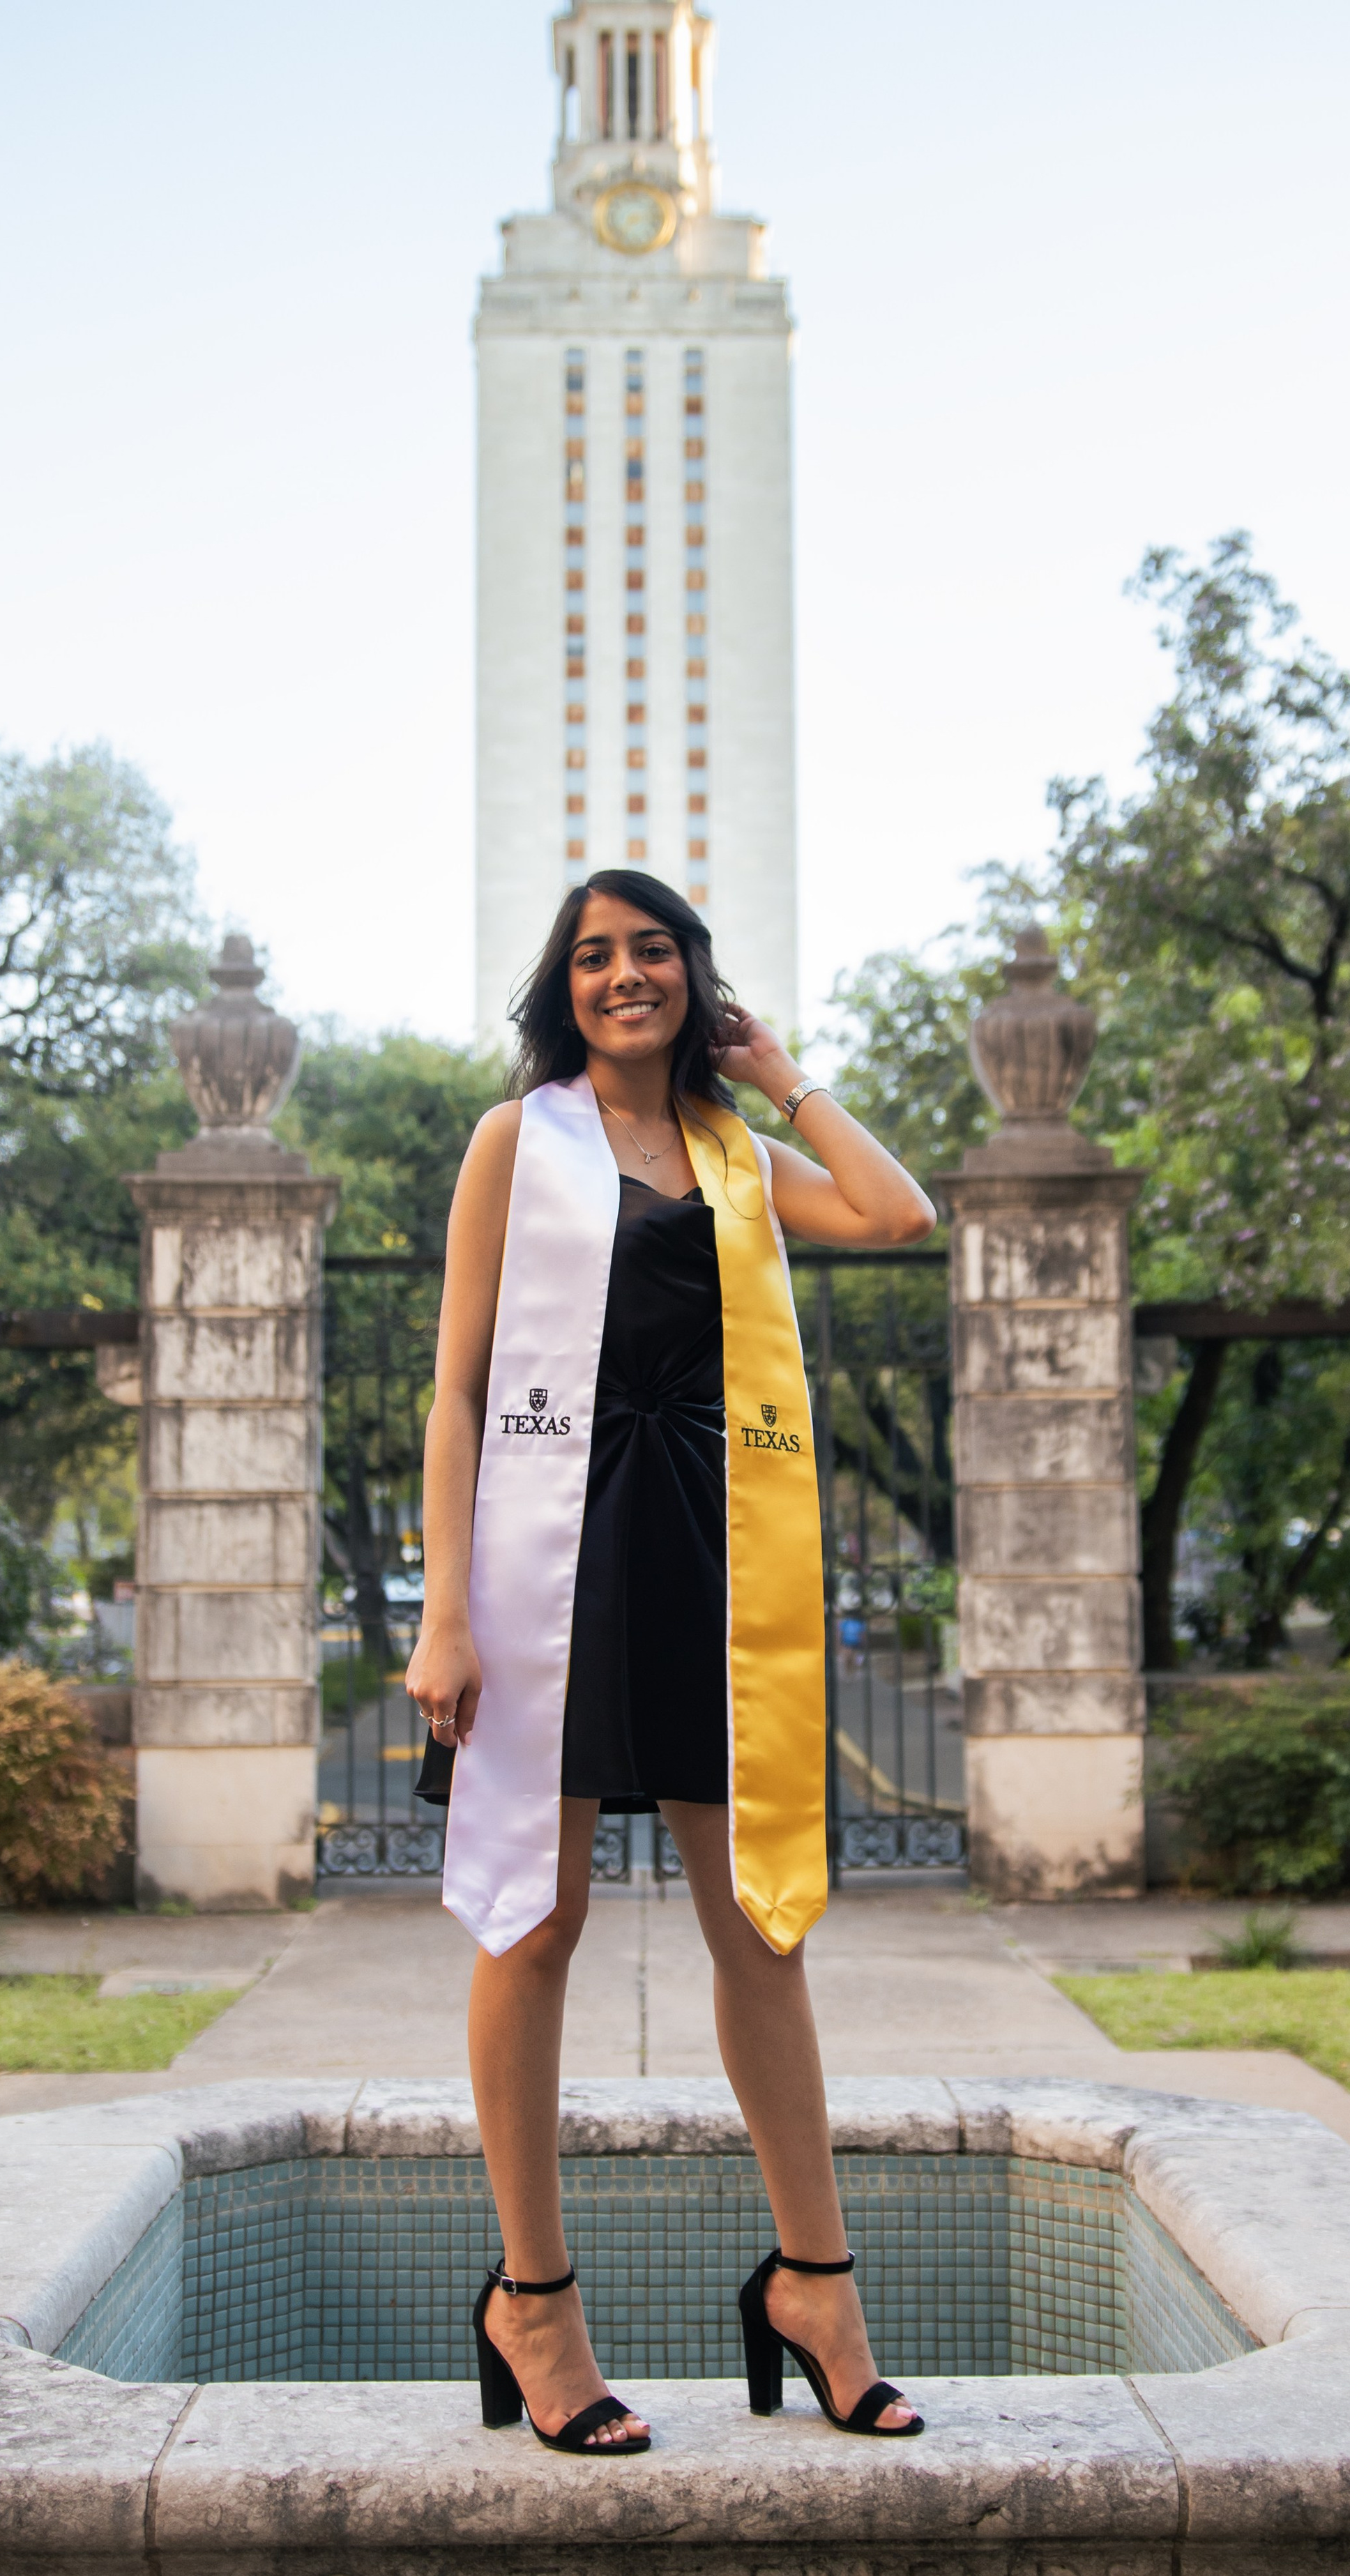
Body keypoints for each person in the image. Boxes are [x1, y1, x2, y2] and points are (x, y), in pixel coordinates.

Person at [406, 870, 936, 2454]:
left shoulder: (741, 1158)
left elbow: (896, 1212)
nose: (620, 976)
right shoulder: (520, 1141)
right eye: (591, 956)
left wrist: (781, 1075)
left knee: (754, 1925)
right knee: (537, 1916)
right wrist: (442, 1609)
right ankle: (534, 2304)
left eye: (649, 952)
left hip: (712, 1561)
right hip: (548, 1559)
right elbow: (452, 1391)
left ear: (693, 978)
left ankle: (815, 2288)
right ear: (560, 991)